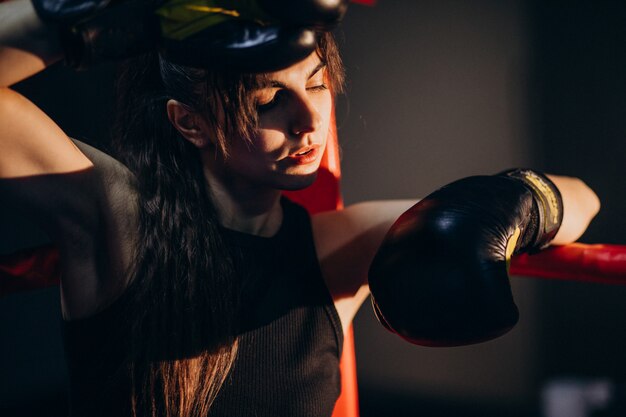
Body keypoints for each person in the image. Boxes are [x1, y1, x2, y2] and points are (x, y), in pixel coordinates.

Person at [0, 0, 601, 416]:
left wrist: (507, 204)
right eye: (269, 101)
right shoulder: (118, 216)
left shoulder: (334, 247)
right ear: (190, 123)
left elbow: (582, 200)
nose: (311, 120)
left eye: (316, 82)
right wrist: (86, 21)